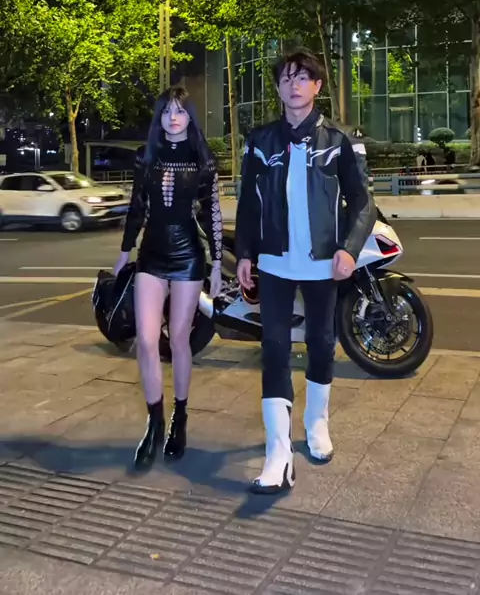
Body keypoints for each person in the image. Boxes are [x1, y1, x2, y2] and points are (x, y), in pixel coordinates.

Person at [235, 49, 376, 495]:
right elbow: (248, 202)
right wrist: (244, 253)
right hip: (275, 262)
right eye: (286, 78)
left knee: (321, 342)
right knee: (274, 349)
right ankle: (278, 454)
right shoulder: (260, 141)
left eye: (302, 78)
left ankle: (316, 423)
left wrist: (349, 250)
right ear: (278, 88)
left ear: (317, 86)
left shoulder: (340, 139)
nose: (293, 85)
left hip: (322, 263)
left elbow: (363, 203)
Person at [114, 87, 223, 470]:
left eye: (180, 111)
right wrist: (125, 251)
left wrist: (218, 263)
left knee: (178, 339)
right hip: (151, 254)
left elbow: (211, 213)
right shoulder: (146, 157)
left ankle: (180, 416)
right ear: (159, 117)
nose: (173, 118)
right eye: (166, 112)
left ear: (190, 116)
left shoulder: (202, 160)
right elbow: (137, 207)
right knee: (146, 340)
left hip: (188, 255)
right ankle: (155, 421)